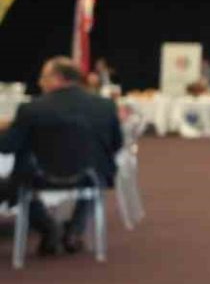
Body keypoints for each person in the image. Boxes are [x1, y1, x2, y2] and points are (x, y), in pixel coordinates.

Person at [0, 56, 123, 255]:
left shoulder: (31, 109)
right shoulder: (105, 107)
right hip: (90, 176)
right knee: (95, 173)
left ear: (57, 78)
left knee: (12, 184)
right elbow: (116, 144)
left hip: (39, 177)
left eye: (43, 77)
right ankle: (75, 231)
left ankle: (49, 229)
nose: (40, 82)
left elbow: (7, 147)